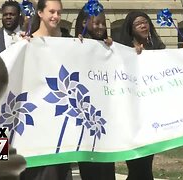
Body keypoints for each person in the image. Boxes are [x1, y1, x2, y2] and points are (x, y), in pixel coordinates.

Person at [20, 1, 72, 180]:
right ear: (40, 13)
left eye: (59, 12)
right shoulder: (25, 42)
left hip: (62, 120)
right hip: (35, 120)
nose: (56, 16)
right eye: (51, 12)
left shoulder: (69, 41)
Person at [117, 11, 166, 180]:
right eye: (138, 23)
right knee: (137, 165)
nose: (143, 25)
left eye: (145, 22)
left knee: (146, 165)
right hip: (132, 118)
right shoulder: (123, 51)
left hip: (151, 116)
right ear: (131, 28)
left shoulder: (157, 48)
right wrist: (130, 55)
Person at [74, 6, 115, 180]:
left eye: (103, 24)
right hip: (85, 118)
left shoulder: (110, 47)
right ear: (84, 23)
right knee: (90, 170)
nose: (100, 27)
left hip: (105, 119)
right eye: (96, 23)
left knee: (107, 169)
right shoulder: (74, 44)